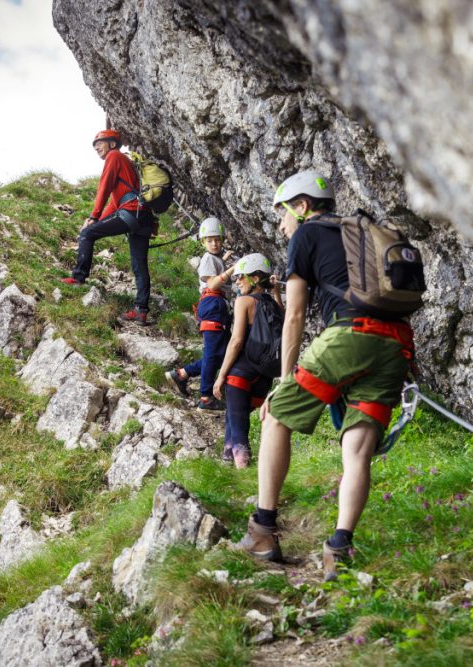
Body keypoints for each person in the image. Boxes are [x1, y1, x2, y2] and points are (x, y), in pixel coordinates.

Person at [236, 170, 415, 582]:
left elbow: (295, 314)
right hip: (396, 346)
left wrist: (282, 379)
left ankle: (263, 530)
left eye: (283, 213)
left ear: (302, 206)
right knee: (358, 449)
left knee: (276, 414)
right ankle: (340, 547)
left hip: (350, 337)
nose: (282, 224)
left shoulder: (306, 235)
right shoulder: (366, 234)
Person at [61, 129, 154, 324]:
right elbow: (114, 202)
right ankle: (141, 310)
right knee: (139, 265)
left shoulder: (114, 156)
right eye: (95, 145)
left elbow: (104, 187)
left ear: (112, 144)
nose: (96, 147)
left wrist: (93, 218)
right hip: (143, 216)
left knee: (87, 234)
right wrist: (98, 220)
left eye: (100, 143)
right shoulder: (122, 161)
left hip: (130, 212)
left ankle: (78, 277)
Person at [213, 253, 282, 468]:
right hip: (264, 378)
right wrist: (277, 292)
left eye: (240, 277)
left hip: (240, 375)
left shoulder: (244, 301)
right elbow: (286, 321)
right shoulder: (273, 304)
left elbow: (236, 341)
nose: (237, 281)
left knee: (239, 428)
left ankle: (242, 474)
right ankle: (227, 465)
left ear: (254, 278)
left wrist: (221, 374)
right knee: (233, 420)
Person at [165, 218, 233, 410]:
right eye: (210, 240)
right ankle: (206, 398)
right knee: (213, 354)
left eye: (217, 239)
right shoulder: (207, 258)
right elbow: (212, 283)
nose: (214, 243)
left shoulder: (215, 258)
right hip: (213, 303)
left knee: (220, 355)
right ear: (203, 242)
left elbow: (215, 266)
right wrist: (233, 269)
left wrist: (225, 259)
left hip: (216, 305)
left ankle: (182, 374)